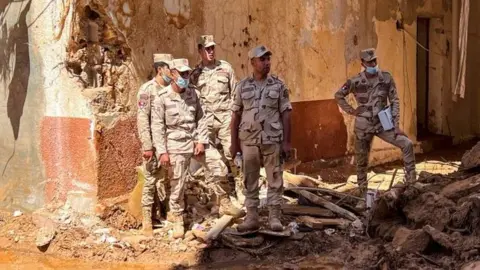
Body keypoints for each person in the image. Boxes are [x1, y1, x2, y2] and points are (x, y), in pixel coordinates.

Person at [334, 48, 415, 201]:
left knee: (407, 144)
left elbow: (395, 101)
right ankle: (363, 196)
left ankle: (412, 183)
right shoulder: (355, 81)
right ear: (363, 63)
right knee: (361, 162)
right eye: (369, 62)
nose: (373, 63)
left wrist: (396, 125)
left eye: (375, 60)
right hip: (363, 125)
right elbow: (338, 95)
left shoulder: (386, 78)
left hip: (383, 123)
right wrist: (351, 110)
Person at [230, 45, 292, 232]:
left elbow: (286, 114)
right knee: (250, 179)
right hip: (248, 140)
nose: (266, 63)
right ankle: (252, 217)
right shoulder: (242, 86)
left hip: (272, 139)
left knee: (274, 178)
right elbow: (235, 115)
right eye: (262, 59)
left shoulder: (279, 86)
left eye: (268, 59)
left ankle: (274, 217)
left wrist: (287, 142)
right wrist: (234, 145)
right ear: (252, 62)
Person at [151, 58, 208, 239]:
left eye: (187, 73)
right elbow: (157, 127)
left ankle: (223, 203)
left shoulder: (194, 94)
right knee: (178, 184)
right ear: (173, 74)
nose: (185, 76)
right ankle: (177, 218)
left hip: (193, 140)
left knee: (217, 166)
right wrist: (162, 152)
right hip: (175, 144)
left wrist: (201, 141)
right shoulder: (162, 97)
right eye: (182, 73)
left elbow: (202, 118)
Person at [190, 35, 243, 217]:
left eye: (213, 48)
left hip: (224, 117)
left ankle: (239, 187)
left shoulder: (225, 68)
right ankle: (216, 194)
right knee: (209, 157)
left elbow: (235, 93)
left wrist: (235, 117)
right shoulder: (195, 74)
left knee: (231, 152)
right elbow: (193, 100)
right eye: (207, 49)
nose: (211, 52)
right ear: (200, 50)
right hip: (206, 120)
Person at [137, 54, 173, 236]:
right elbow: (143, 118)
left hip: (169, 143)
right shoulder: (147, 90)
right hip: (153, 144)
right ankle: (146, 221)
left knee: (166, 180)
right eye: (169, 68)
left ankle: (163, 214)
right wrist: (147, 145)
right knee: (150, 180)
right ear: (160, 69)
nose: (172, 72)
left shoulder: (170, 89)